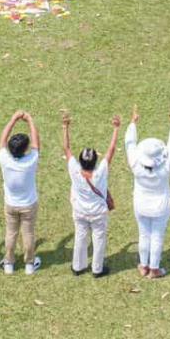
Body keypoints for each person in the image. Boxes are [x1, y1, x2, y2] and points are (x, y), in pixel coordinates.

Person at [125, 106, 170, 278]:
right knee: (156, 236)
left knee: (144, 234)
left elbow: (129, 143)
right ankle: (154, 269)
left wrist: (133, 123)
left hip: (141, 204)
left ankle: (143, 266)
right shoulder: (165, 167)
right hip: (160, 206)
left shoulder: (135, 165)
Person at [62, 111, 118, 278]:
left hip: (80, 211)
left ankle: (78, 267)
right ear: (95, 162)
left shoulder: (75, 170)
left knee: (80, 237)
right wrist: (116, 128)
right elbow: (111, 150)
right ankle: (97, 269)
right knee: (98, 239)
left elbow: (66, 148)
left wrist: (65, 127)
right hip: (98, 212)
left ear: (80, 161)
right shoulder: (100, 173)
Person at [0, 109, 41, 275]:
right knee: (28, 233)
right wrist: (29, 119)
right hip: (29, 204)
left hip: (11, 204)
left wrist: (13, 119)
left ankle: (9, 263)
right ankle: (29, 264)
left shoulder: (4, 159)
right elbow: (37, 143)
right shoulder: (31, 160)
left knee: (11, 233)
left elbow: (2, 140)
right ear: (25, 150)